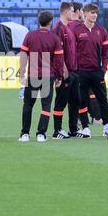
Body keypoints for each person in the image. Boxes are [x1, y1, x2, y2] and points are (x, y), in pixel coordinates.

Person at [19, 11, 64, 142]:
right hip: (47, 76)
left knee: (28, 105)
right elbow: (58, 60)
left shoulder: (30, 36)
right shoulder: (54, 38)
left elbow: (23, 55)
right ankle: (41, 134)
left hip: (32, 75)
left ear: (38, 21)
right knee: (45, 105)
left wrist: (22, 72)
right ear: (51, 22)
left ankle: (25, 134)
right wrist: (59, 77)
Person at [72, 3, 108, 138]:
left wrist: (103, 69)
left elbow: (106, 52)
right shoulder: (77, 30)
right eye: (92, 12)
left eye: (96, 13)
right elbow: (72, 51)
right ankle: (85, 127)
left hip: (97, 71)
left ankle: (107, 126)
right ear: (84, 13)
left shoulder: (101, 31)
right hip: (81, 72)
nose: (94, 15)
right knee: (81, 100)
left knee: (103, 100)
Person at [51, 2, 79, 139]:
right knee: (61, 101)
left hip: (73, 72)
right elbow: (57, 53)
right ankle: (57, 130)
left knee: (75, 101)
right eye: (72, 11)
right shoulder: (58, 29)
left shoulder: (68, 28)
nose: (73, 14)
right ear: (66, 12)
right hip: (64, 73)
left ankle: (73, 129)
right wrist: (63, 71)